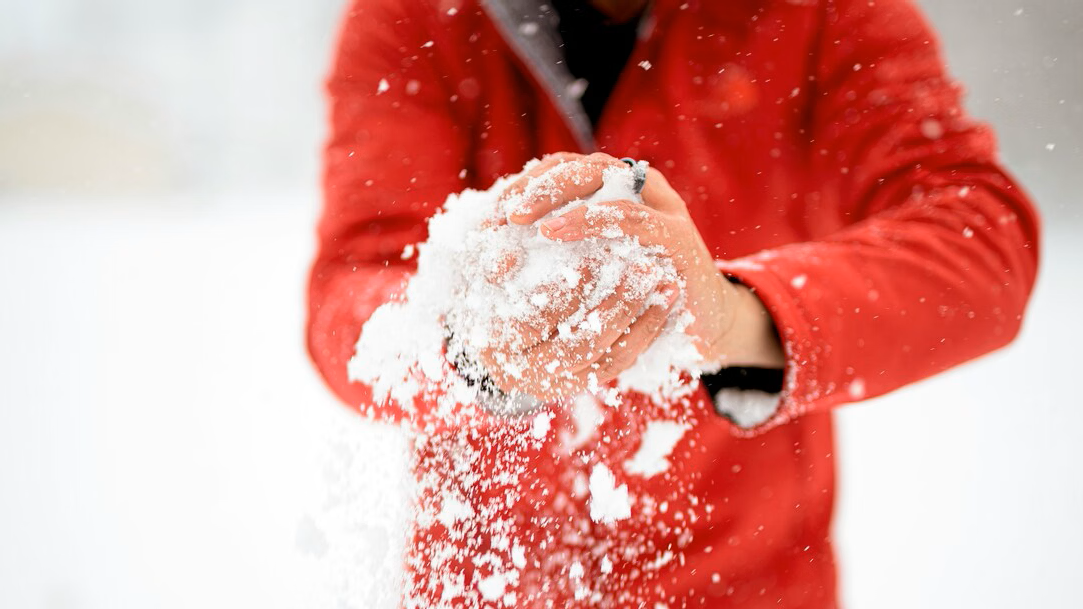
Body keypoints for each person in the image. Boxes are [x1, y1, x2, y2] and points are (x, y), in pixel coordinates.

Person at [306, 0, 1040, 607]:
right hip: (485, 578)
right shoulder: (411, 16)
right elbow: (351, 295)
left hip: (752, 584)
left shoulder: (824, 13)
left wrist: (731, 315)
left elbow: (980, 241)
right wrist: (466, 346)